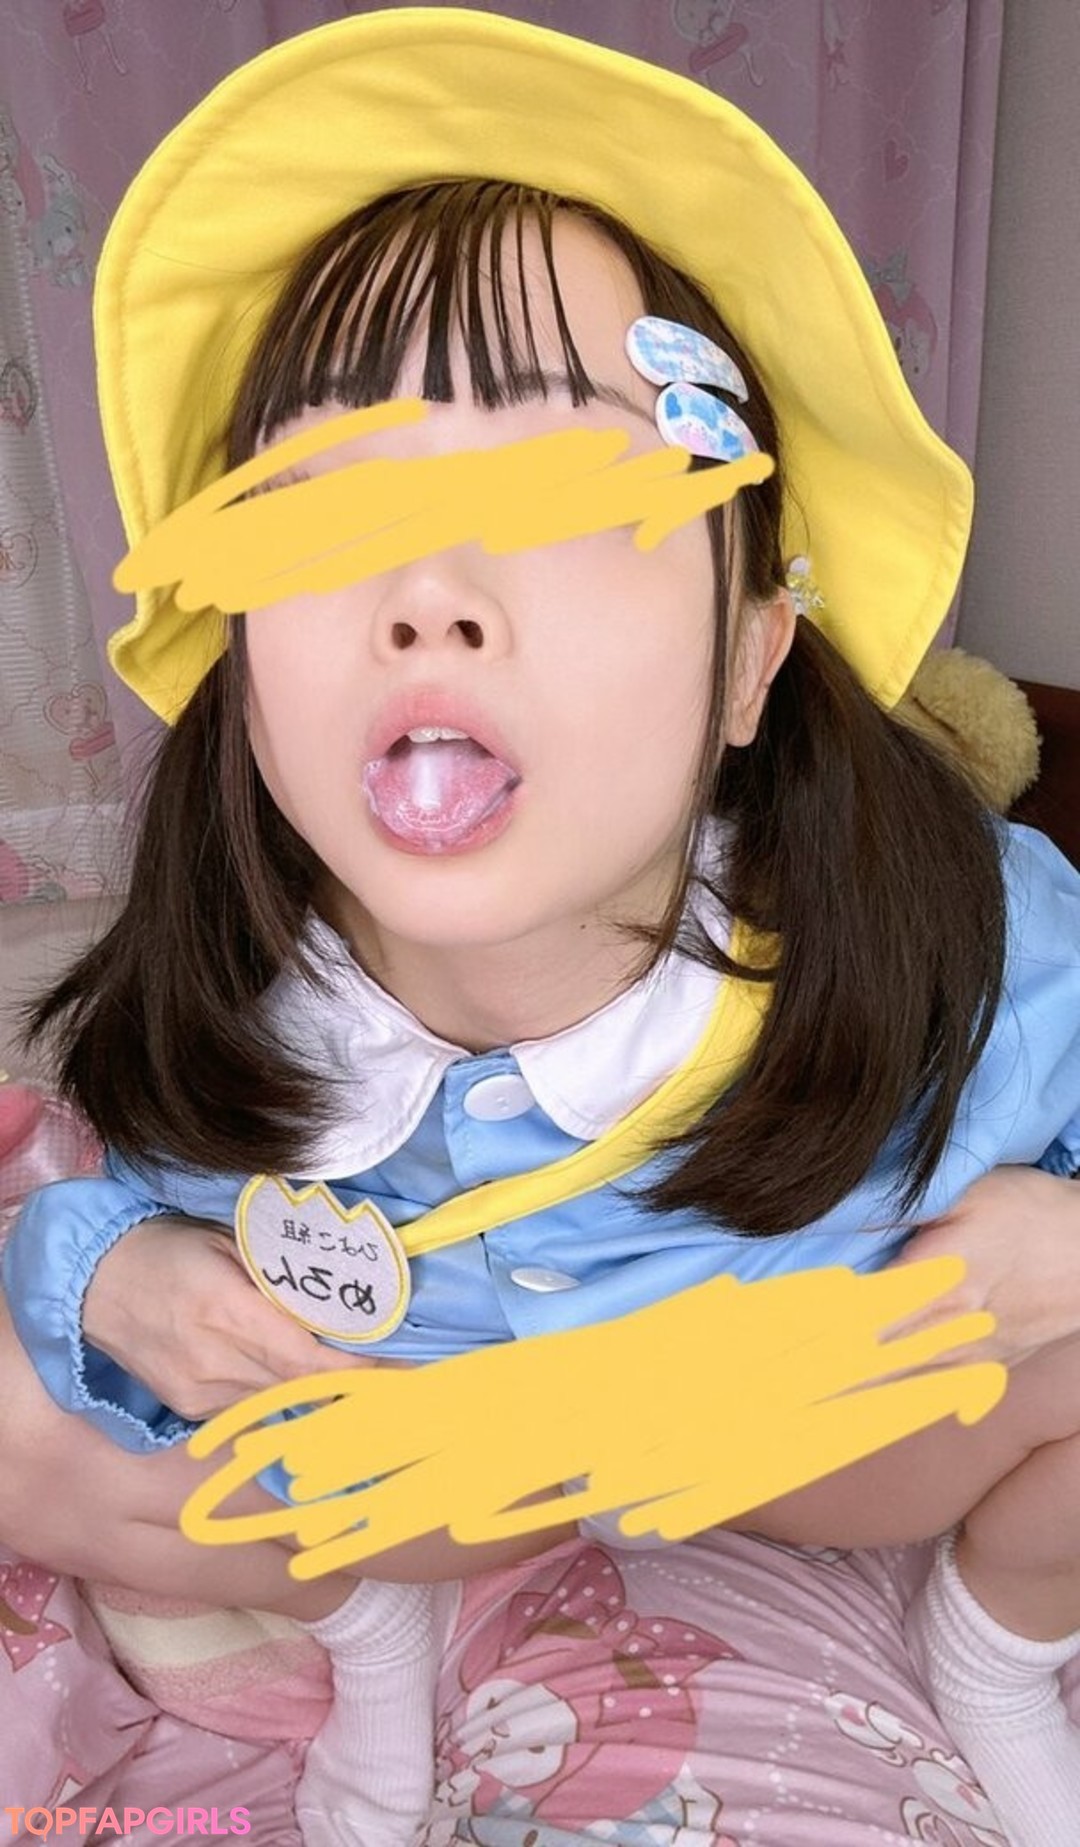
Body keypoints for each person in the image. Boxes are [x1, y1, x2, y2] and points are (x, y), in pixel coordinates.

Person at [1, 9, 1079, 1844]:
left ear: (750, 663)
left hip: (824, 1434)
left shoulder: (966, 938)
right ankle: (380, 1641)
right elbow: (126, 1203)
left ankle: (998, 1649)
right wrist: (116, 1283)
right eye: (323, 511)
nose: (429, 597)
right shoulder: (245, 999)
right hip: (444, 1472)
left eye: (572, 504)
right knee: (40, 1435)